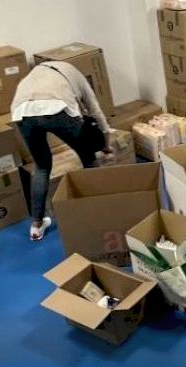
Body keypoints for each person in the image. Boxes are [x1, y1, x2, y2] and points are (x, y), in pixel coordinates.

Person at [11, 61, 113, 240]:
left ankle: (36, 225)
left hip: (22, 112)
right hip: (57, 109)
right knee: (88, 157)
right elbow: (95, 111)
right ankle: (99, 209)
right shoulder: (76, 74)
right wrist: (106, 143)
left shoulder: (36, 73)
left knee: (42, 166)